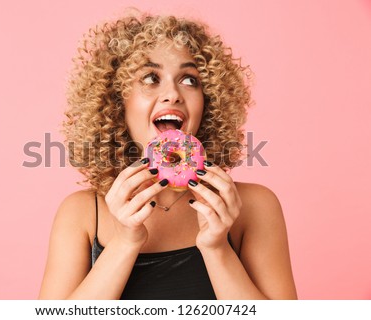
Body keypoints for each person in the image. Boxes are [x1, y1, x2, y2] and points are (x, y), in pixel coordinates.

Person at [38, 11, 297, 300]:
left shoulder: (252, 208)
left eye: (189, 80)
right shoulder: (83, 213)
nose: (172, 94)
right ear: (116, 101)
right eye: (151, 77)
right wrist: (125, 242)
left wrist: (216, 248)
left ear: (208, 102)